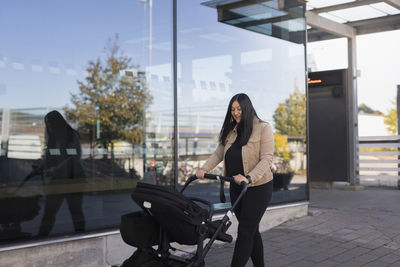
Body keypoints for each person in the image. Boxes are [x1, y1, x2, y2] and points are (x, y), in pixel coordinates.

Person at [196, 93, 273, 267]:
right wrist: (203, 169)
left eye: (239, 109)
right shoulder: (231, 131)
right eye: (232, 109)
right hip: (237, 188)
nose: (236, 113)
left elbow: (267, 159)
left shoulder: (263, 128)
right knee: (252, 231)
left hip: (258, 187)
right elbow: (218, 154)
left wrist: (248, 177)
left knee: (245, 231)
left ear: (247, 108)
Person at [29, 110, 86, 236]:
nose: (48, 126)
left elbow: (73, 158)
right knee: (50, 210)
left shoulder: (71, 135)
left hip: (74, 178)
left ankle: (81, 235)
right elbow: (51, 157)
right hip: (58, 179)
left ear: (58, 122)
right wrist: (41, 167)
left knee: (75, 210)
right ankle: (42, 237)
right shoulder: (53, 139)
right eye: (47, 124)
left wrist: (56, 169)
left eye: (50, 123)